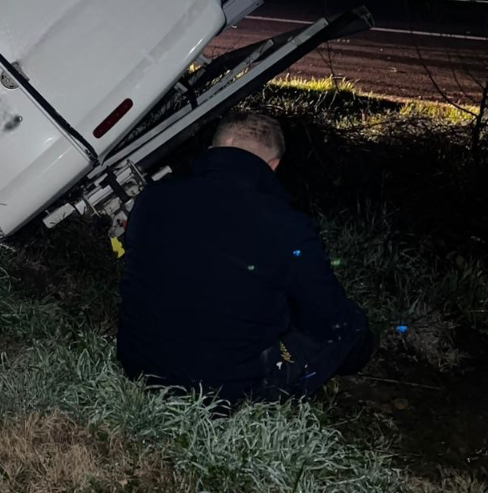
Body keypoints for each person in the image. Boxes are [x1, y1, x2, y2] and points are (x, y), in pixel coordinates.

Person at [116, 110, 375, 404]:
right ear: (273, 166)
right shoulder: (288, 225)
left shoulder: (152, 197)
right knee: (349, 325)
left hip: (137, 365)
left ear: (212, 149)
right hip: (225, 389)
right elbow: (325, 317)